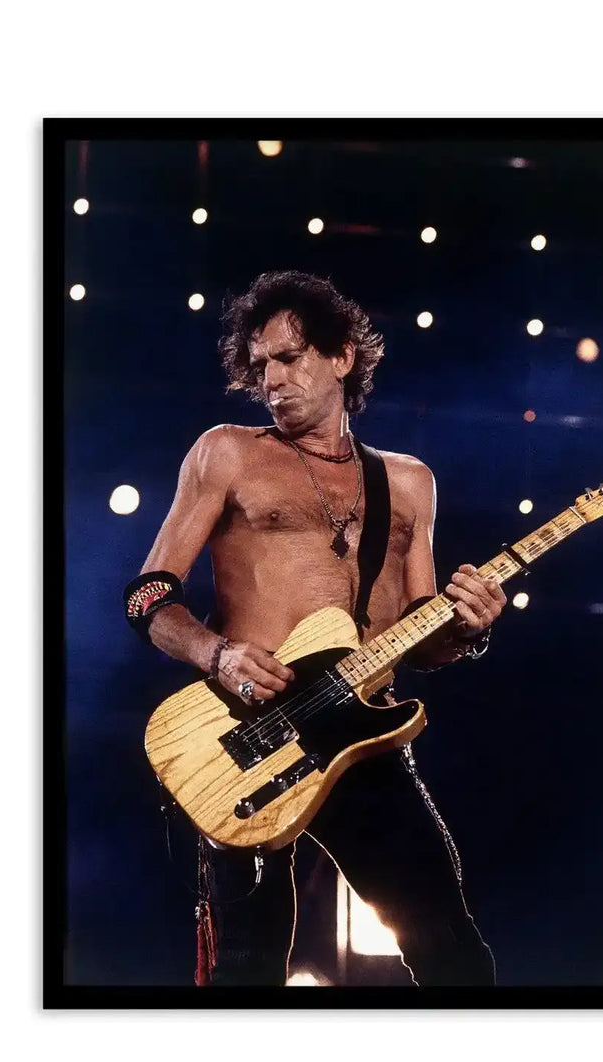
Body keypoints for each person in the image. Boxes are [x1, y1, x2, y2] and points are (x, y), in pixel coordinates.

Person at [123, 270, 506, 986]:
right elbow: (148, 595)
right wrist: (218, 654)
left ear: (341, 357)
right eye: (259, 364)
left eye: (289, 358)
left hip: (361, 739)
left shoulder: (409, 482)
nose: (271, 379)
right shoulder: (228, 452)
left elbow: (424, 638)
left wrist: (468, 630)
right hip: (251, 728)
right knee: (247, 968)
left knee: (453, 952)